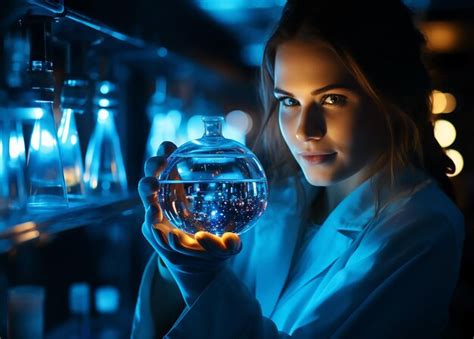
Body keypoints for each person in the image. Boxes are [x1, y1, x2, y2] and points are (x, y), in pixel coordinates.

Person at [132, 0, 465, 337]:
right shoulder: (277, 200)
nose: (305, 130)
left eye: (332, 99)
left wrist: (201, 278)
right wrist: (172, 262)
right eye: (289, 101)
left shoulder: (424, 227)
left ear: (392, 99)